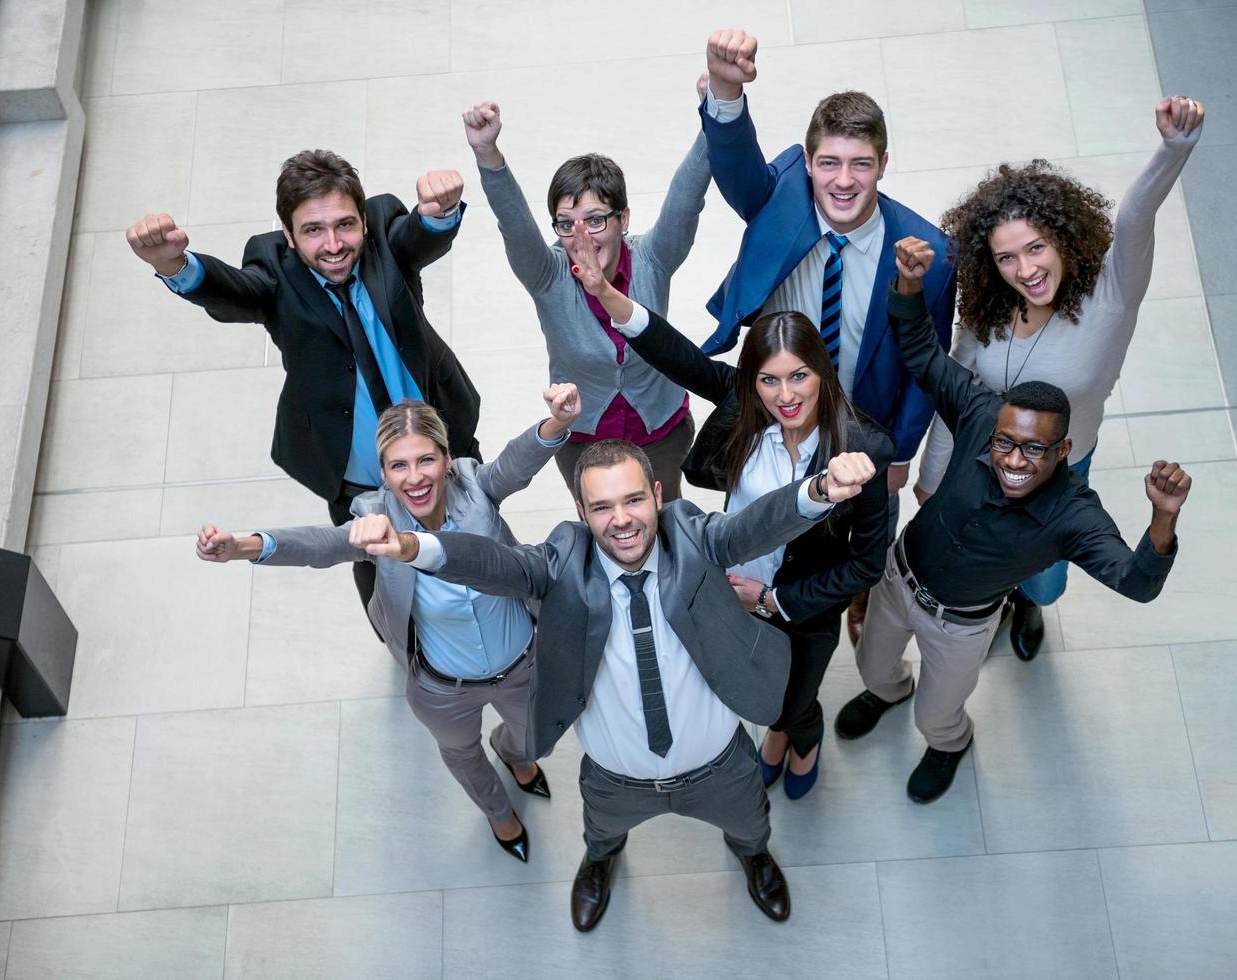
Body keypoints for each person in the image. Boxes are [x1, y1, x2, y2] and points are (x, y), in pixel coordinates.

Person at [360, 439, 878, 930]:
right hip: (615, 778)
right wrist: (411, 547)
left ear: (657, 496)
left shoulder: (692, 536)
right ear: (583, 514)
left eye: (633, 499)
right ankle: (601, 861)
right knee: (602, 832)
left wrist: (819, 491)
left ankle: (754, 857)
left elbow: (753, 527)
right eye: (602, 507)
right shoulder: (562, 563)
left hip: (721, 765)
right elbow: (492, 563)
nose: (622, 519)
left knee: (751, 827)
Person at [835, 237, 1193, 805]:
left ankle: (949, 744)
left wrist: (1163, 519)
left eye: (1033, 450)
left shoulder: (1075, 512)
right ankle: (886, 694)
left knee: (937, 713)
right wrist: (907, 282)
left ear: (1064, 450)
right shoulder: (979, 411)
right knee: (872, 666)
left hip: (962, 625)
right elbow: (923, 354)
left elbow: (1137, 583)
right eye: (1006, 443)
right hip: (898, 580)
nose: (1012, 460)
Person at [565, 227, 892, 800]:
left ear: (823, 373)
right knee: (751, 682)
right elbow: (679, 356)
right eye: (768, 379)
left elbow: (866, 565)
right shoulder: (747, 408)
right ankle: (777, 731)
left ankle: (801, 736)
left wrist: (772, 601)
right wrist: (607, 296)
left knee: (793, 699)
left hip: (802, 605)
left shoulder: (861, 448)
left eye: (799, 376)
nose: (784, 395)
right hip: (730, 584)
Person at [193, 385, 581, 861]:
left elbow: (515, 463)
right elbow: (321, 545)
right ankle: (500, 815)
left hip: (524, 665)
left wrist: (559, 422)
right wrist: (244, 546)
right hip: (444, 686)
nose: (414, 478)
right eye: (399, 466)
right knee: (461, 754)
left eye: (425, 461)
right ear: (383, 473)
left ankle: (512, 753)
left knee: (532, 740)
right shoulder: (375, 518)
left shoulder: (475, 488)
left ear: (446, 460)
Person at [914, 96, 1206, 659]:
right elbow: (955, 390)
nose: (1025, 271)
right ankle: (995, 598)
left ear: (1062, 238)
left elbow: (1134, 218)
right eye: (1006, 259)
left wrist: (1174, 148)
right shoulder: (988, 309)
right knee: (974, 548)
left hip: (1061, 465)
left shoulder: (1111, 297)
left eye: (1035, 248)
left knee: (1044, 579)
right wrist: (932, 473)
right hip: (980, 452)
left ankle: (1028, 603)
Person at [126, 149, 481, 610]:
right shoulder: (273, 267)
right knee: (375, 567)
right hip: (355, 474)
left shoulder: (384, 227)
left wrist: (441, 210)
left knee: (474, 537)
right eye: (313, 230)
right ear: (289, 236)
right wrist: (175, 265)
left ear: (364, 222)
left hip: (442, 438)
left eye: (345, 225)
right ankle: (399, 636)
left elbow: (418, 235)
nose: (333, 244)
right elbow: (234, 291)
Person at [696, 29, 957, 554]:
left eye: (861, 163)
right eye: (829, 163)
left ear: (883, 165)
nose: (843, 181)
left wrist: (900, 453)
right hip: (776, 410)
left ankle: (854, 598)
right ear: (810, 163)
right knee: (763, 522)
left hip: (861, 426)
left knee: (853, 539)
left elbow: (927, 366)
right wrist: (725, 90)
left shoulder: (931, 253)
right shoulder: (783, 196)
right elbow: (737, 168)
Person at [462, 100, 710, 500]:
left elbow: (688, 197)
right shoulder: (548, 274)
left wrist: (715, 114)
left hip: (661, 431)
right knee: (605, 532)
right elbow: (513, 223)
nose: (583, 237)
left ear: (623, 218)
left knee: (667, 522)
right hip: (584, 440)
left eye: (595, 219)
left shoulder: (653, 258)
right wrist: (487, 153)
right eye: (566, 224)